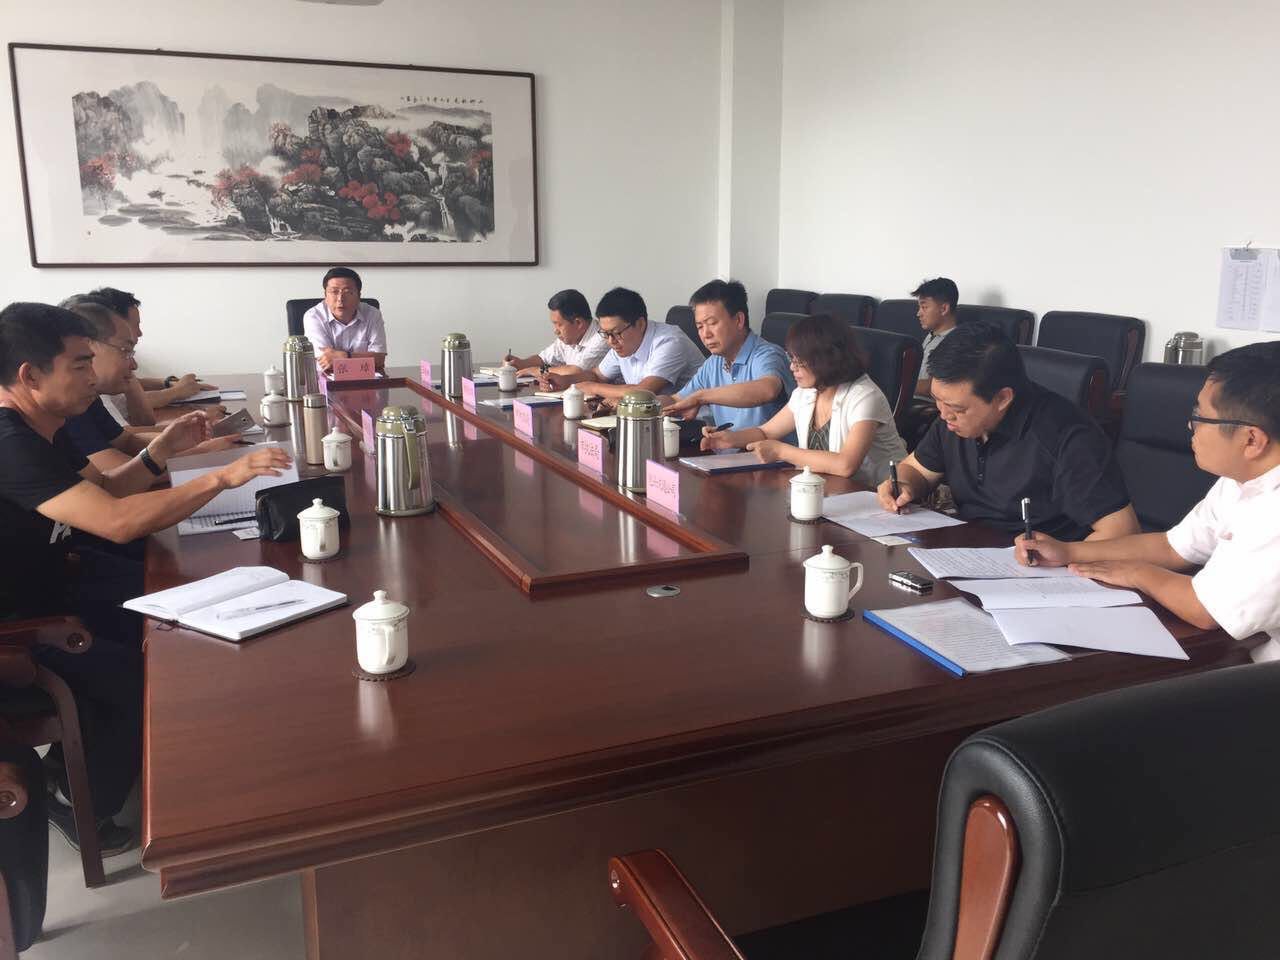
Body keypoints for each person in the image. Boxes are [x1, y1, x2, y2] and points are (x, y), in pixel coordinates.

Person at [0, 302, 291, 854]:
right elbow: (115, 521)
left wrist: (162, 450)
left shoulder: (44, 425)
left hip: (57, 582)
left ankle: (155, 751)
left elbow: (106, 492)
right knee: (142, 672)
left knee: (178, 597)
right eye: (80, 364)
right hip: (20, 625)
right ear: (29, 375)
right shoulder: (10, 443)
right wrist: (222, 477)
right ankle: (79, 800)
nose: (93, 376)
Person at [1014, 341, 1280, 661]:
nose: (1190, 426)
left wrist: (1138, 573)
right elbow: (1172, 547)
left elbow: (1205, 610)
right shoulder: (1243, 479)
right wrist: (1067, 551)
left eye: (1200, 416)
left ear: (1252, 440)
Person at [876, 321, 1139, 540]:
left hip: (1039, 570)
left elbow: (1122, 532)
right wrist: (903, 484)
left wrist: (1064, 554)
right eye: (937, 400)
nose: (943, 414)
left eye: (957, 408)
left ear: (1002, 398)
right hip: (967, 552)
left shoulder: (1066, 436)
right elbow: (917, 470)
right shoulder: (952, 419)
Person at [702, 314, 907, 482]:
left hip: (880, 498)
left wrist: (781, 451)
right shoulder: (807, 392)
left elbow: (846, 465)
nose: (792, 367)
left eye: (799, 361)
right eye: (791, 358)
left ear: (826, 358)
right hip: (830, 493)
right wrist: (730, 438)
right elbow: (766, 432)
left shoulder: (864, 396)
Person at [61, 299, 239, 474]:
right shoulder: (67, 404)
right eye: (125, 351)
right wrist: (201, 454)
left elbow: (127, 441)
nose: (134, 365)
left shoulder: (90, 397)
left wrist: (180, 438)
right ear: (88, 347)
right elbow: (118, 475)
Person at [661, 279, 795, 434]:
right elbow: (677, 400)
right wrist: (643, 404)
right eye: (700, 326)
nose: (706, 334)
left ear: (738, 320)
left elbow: (768, 389)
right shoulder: (714, 362)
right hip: (727, 448)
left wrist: (702, 397)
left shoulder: (767, 354)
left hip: (768, 449)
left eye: (712, 323)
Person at [537, 287, 704, 401]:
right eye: (605, 333)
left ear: (640, 324)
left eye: (616, 333)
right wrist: (565, 381)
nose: (611, 341)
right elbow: (597, 375)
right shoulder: (621, 343)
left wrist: (592, 387)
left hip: (693, 426)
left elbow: (644, 392)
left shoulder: (669, 342)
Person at [86, 287, 216, 420]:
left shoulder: (116, 361)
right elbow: (128, 410)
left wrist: (168, 383)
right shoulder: (93, 386)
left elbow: (143, 419)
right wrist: (176, 392)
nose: (140, 333)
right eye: (135, 325)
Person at [503, 289, 609, 378]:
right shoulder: (570, 337)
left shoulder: (603, 338)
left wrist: (537, 371)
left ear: (578, 323)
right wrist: (521, 363)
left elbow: (576, 371)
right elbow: (543, 358)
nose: (555, 331)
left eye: (559, 325)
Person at [302, 267, 387, 373]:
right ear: (325, 296)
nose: (340, 299)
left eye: (348, 292)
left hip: (366, 379)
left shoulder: (372, 314)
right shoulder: (314, 316)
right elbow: (326, 361)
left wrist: (346, 356)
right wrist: (364, 358)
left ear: (359, 296)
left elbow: (379, 359)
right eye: (334, 292)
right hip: (325, 379)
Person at [912, 277, 959, 397]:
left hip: (924, 403)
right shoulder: (931, 335)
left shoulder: (956, 342)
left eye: (924, 307)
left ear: (944, 309)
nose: (918, 313)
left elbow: (932, 387)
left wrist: (894, 383)